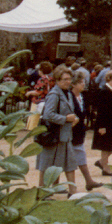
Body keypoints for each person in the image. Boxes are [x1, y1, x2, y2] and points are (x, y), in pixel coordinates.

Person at [37, 66, 81, 195]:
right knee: (46, 165)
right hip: (53, 136)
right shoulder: (54, 95)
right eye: (64, 79)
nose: (68, 81)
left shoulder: (66, 93)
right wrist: (65, 119)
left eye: (69, 79)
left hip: (64, 135)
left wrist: (73, 118)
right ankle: (42, 192)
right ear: (57, 80)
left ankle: (71, 191)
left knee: (69, 163)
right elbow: (48, 115)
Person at [88, 67, 112, 183]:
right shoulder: (104, 91)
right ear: (109, 79)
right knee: (106, 145)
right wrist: (101, 126)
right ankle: (105, 166)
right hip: (107, 122)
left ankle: (101, 162)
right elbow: (102, 110)